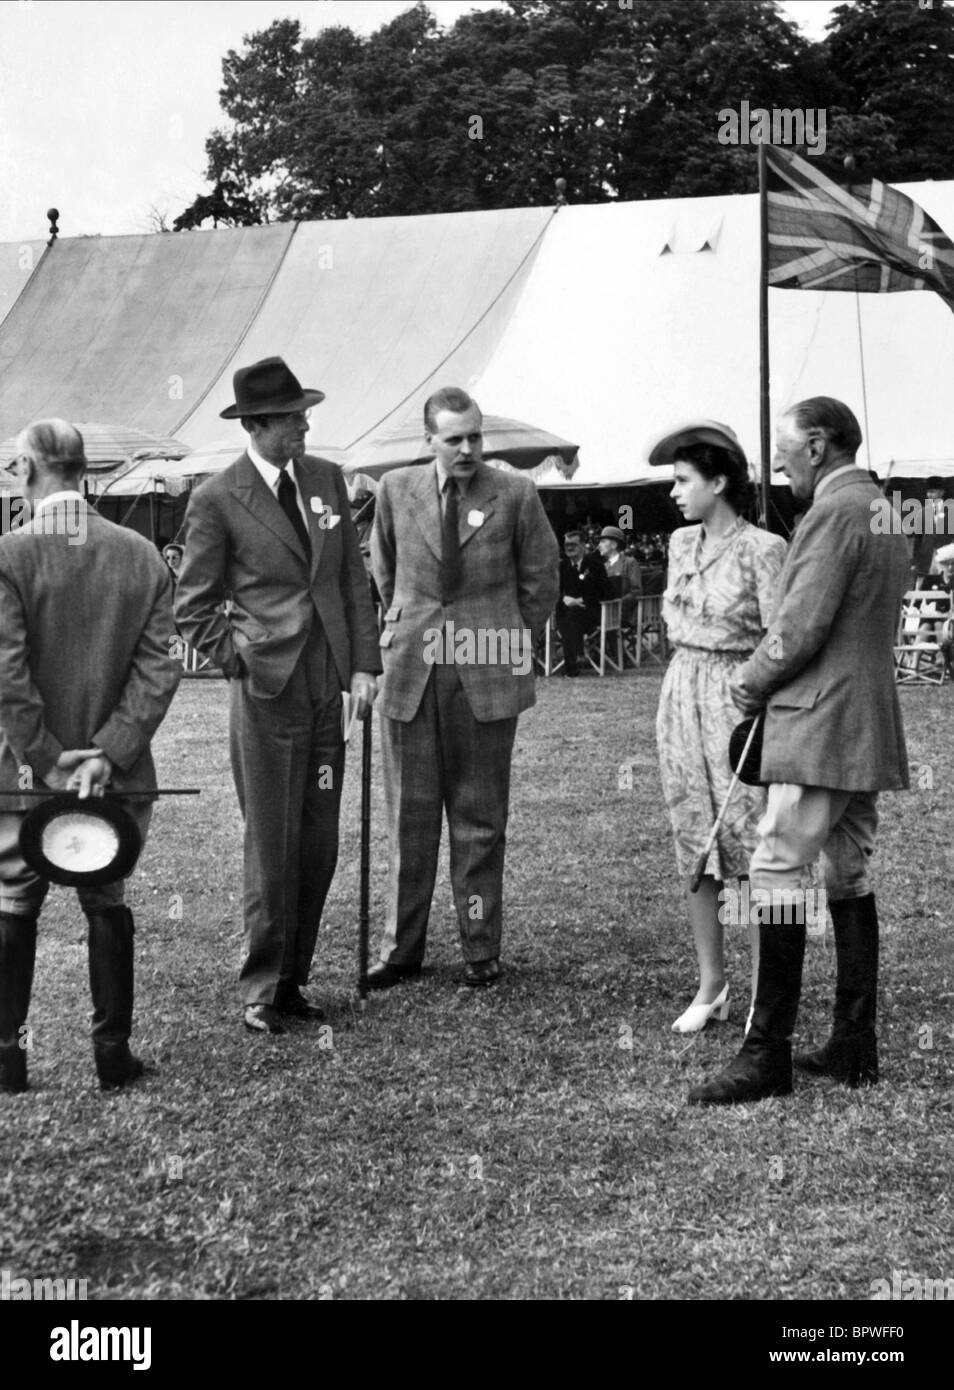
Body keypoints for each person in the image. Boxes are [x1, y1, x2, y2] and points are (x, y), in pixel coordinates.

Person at [689, 398, 909, 1106]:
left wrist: (748, 685)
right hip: (865, 721)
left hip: (818, 725)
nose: (777, 462)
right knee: (848, 873)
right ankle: (853, 1043)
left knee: (777, 869)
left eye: (784, 448)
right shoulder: (880, 508)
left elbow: (797, 627)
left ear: (817, 444)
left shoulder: (834, 513)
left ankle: (767, 1054)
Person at [174, 357, 381, 1035]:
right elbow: (194, 606)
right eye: (293, 417)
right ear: (258, 426)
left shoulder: (325, 480)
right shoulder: (216, 499)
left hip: (330, 689)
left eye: (303, 414)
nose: (305, 424)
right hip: (268, 694)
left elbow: (353, 578)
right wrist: (243, 660)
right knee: (273, 838)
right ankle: (262, 985)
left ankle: (294, 978)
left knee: (318, 838)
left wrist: (363, 666)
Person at [0, 420, 181, 1093]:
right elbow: (158, 669)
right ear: (86, 472)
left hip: (19, 775)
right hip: (115, 776)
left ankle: (7, 1056)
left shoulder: (9, 555)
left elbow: (8, 676)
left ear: (26, 470)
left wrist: (46, 758)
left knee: (14, 900)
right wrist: (109, 752)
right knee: (106, 897)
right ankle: (112, 1053)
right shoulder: (140, 555)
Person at [368, 386, 559, 989]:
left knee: (480, 821)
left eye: (476, 437)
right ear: (429, 440)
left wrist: (501, 638)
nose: (469, 449)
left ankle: (481, 948)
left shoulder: (516, 493)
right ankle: (402, 951)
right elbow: (385, 570)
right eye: (455, 439)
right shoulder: (395, 492)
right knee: (410, 819)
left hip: (485, 672)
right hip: (412, 672)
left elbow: (541, 579)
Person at [650, 422, 786, 1035]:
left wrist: (757, 699)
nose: (675, 492)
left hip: (740, 701)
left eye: (684, 481)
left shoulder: (764, 548)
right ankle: (713, 983)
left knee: (753, 844)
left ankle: (767, 991)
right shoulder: (680, 543)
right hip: (681, 695)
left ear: (720, 481)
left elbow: (781, 639)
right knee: (695, 842)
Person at [556, 529, 608, 676]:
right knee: (569, 616)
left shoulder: (596, 566)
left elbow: (605, 592)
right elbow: (553, 592)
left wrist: (581, 600)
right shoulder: (561, 567)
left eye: (574, 544)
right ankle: (576, 659)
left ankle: (571, 667)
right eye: (567, 545)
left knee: (571, 616)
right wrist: (564, 599)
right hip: (566, 613)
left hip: (590, 614)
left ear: (584, 546)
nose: (569, 548)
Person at [598, 525, 642, 622]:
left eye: (603, 541)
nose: (599, 545)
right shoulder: (602, 567)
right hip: (603, 610)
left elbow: (636, 592)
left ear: (614, 544)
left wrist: (618, 603)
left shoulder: (630, 562)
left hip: (622, 611)